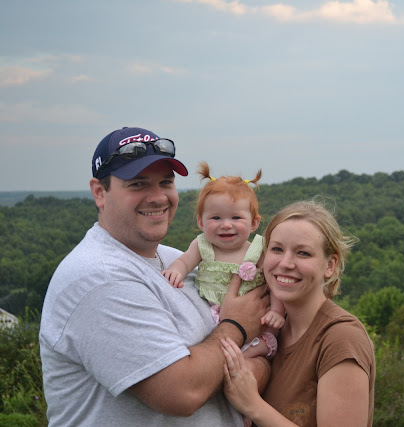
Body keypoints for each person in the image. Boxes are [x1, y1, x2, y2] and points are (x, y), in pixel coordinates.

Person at [39, 126, 270, 426]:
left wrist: (260, 366)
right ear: (99, 192)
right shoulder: (99, 278)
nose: (158, 197)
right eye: (138, 184)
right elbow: (181, 392)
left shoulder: (176, 259)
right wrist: (239, 325)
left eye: (166, 182)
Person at [220, 199, 376, 426]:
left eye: (303, 253)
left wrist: (253, 405)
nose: (285, 263)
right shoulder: (268, 329)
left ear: (330, 265)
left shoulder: (340, 339)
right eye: (277, 249)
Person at [162, 162, 285, 359]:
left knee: (257, 349)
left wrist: (277, 311)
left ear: (254, 223)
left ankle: (245, 360)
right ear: (201, 222)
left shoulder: (258, 250)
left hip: (256, 322)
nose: (226, 225)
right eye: (216, 218)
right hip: (213, 320)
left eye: (236, 218)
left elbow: (274, 281)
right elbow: (184, 261)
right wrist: (176, 271)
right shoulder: (202, 245)